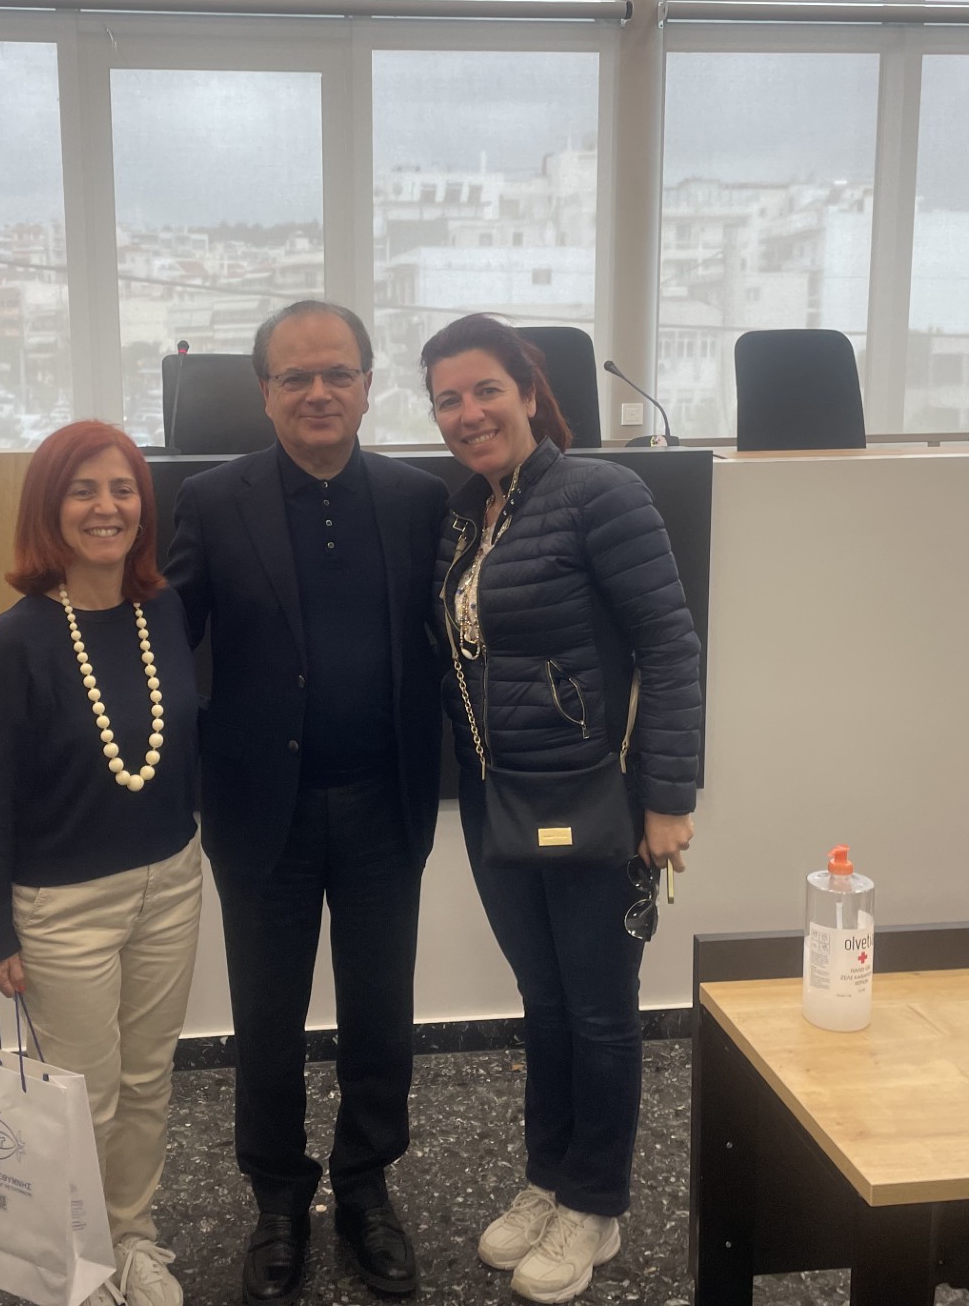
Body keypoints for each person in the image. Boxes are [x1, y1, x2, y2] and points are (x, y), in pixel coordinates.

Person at [165, 300, 449, 1306]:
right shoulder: (212, 501)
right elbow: (165, 640)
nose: (318, 392)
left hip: (384, 803)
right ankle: (278, 1201)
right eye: (295, 377)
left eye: (338, 374)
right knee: (266, 1020)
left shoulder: (421, 501)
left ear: (369, 386)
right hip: (261, 812)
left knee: (381, 1017)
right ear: (265, 393)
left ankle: (367, 1188)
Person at [422, 315, 703, 1305]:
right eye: (447, 399)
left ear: (530, 393)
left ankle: (596, 1203)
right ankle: (548, 1177)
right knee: (542, 1002)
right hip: (499, 800)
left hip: (594, 799)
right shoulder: (469, 515)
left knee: (599, 1010)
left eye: (485, 390)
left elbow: (670, 647)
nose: (468, 413)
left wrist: (666, 800)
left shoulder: (601, 494)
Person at [0, 420, 202, 1306]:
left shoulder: (162, 611)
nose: (107, 508)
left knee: (147, 1082)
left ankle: (130, 1237)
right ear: (48, 510)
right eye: (84, 491)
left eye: (123, 489)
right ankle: (76, 1259)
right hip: (64, 907)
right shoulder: (18, 639)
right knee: (83, 1097)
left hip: (171, 885)